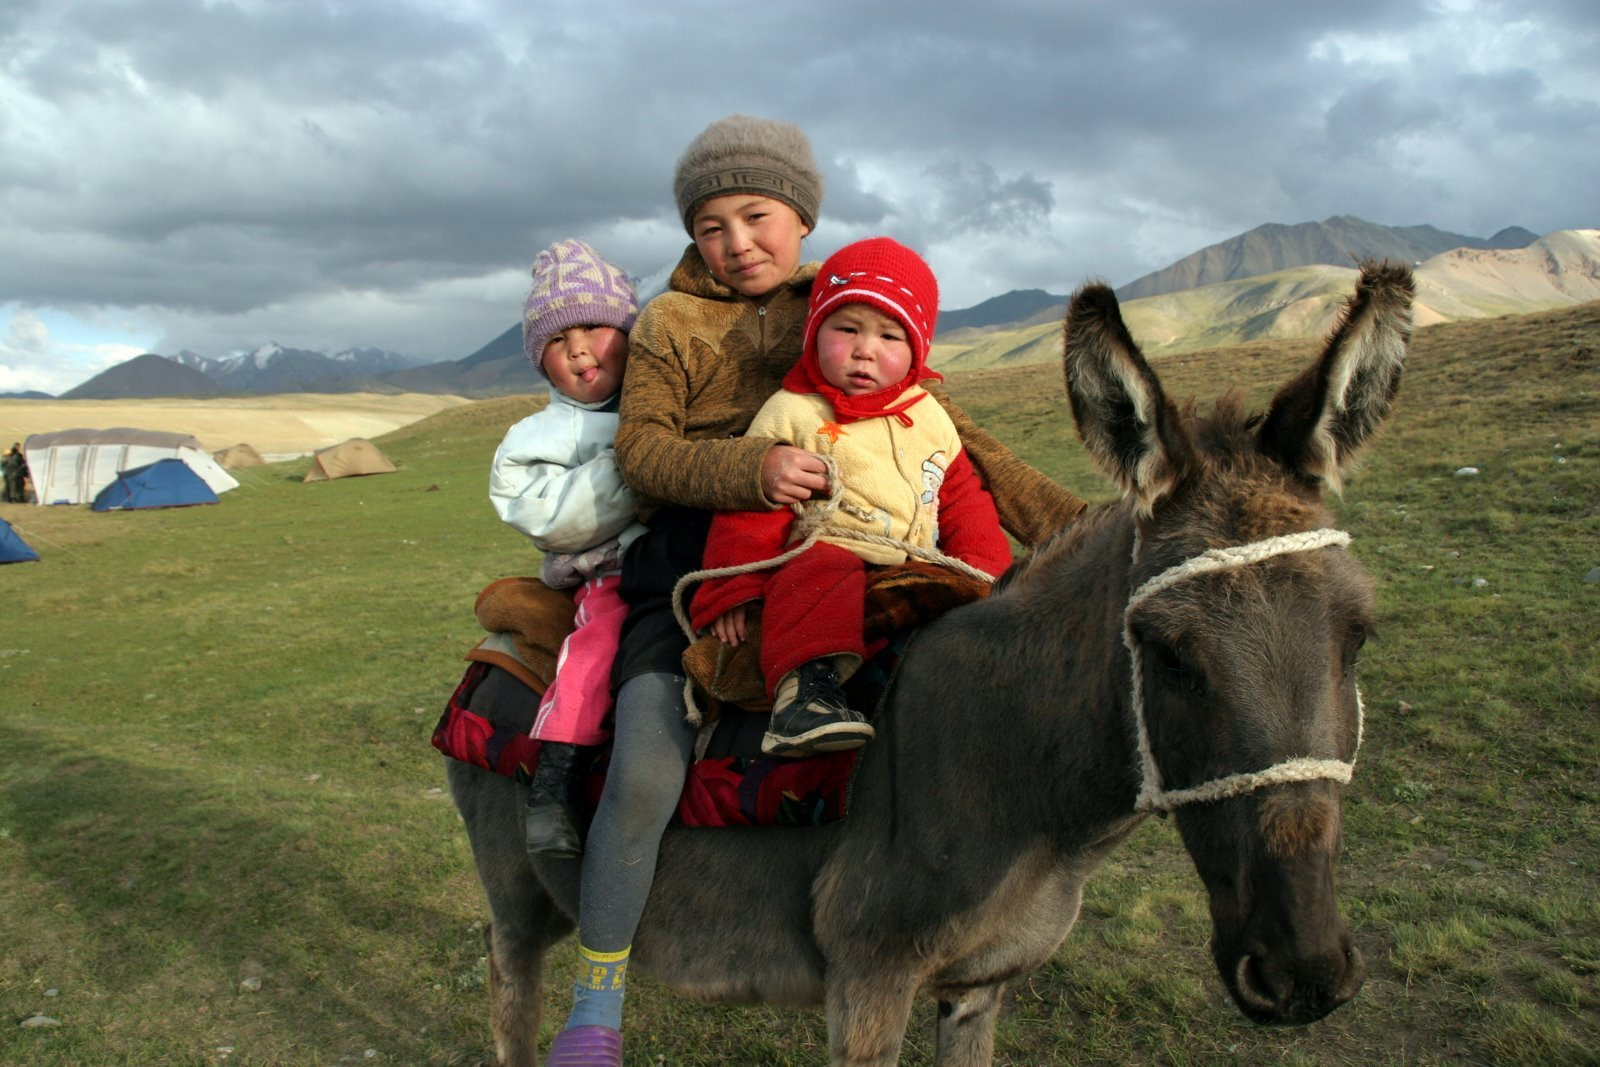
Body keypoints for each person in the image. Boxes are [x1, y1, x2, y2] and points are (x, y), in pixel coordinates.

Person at [542, 113, 1089, 1066]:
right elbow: (642, 451)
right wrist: (750, 471)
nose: (736, 243)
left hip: (860, 550)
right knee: (643, 762)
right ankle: (595, 999)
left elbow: (953, 436)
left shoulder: (842, 301)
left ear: (801, 216)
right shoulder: (671, 322)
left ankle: (956, 917)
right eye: (710, 225)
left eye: (756, 216)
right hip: (699, 561)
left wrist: (1080, 528)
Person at [689, 236, 1014, 756]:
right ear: (814, 332)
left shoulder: (928, 414)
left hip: (915, 558)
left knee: (970, 603)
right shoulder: (791, 412)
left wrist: (988, 569)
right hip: (831, 549)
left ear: (917, 349)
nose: (866, 349)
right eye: (847, 329)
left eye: (890, 335)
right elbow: (751, 509)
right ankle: (804, 696)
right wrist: (733, 589)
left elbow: (961, 496)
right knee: (819, 569)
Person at [488, 239, 643, 859]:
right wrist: (641, 460)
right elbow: (549, 517)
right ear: (540, 361)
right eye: (557, 339)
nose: (578, 347)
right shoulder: (533, 438)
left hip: (693, 561)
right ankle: (556, 782)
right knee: (598, 644)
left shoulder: (671, 402)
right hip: (610, 571)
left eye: (595, 326)